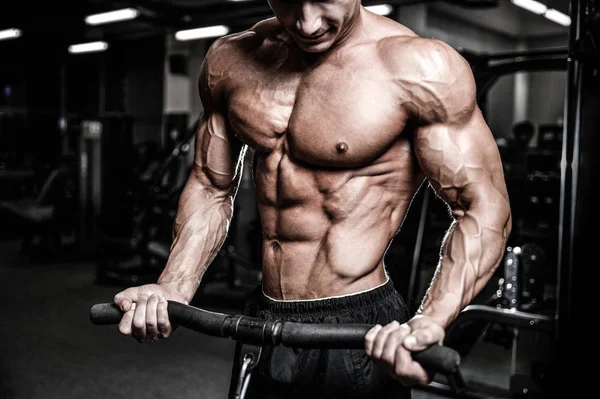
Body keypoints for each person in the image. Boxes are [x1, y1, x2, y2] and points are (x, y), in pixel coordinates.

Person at [113, 1, 512, 398]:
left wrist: (430, 321)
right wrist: (173, 287)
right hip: (263, 315)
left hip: (355, 323)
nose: (306, 23)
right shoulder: (231, 58)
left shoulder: (417, 67)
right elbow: (209, 184)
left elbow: (483, 208)